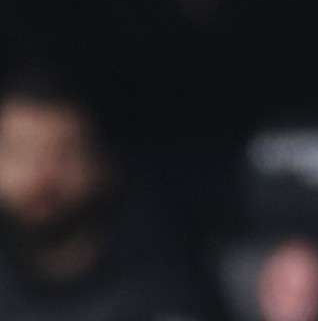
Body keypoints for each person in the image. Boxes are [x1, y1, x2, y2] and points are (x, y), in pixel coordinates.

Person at [0, 70, 208, 319]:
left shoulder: (163, 290)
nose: (42, 177)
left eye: (65, 154)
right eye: (19, 153)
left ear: (104, 163)